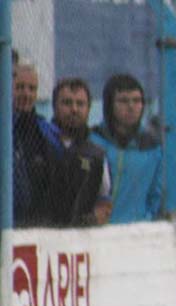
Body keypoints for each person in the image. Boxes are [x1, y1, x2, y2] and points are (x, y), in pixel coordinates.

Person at [92, 73, 164, 224]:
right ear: (109, 104)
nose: (131, 107)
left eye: (137, 101)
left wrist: (147, 220)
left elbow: (156, 194)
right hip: (98, 231)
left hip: (138, 231)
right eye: (123, 101)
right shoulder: (93, 141)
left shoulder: (152, 147)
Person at [49, 77, 112, 226]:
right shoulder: (40, 142)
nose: (74, 109)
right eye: (67, 103)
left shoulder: (97, 155)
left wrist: (93, 219)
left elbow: (105, 202)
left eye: (80, 104)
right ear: (54, 106)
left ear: (89, 108)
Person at [12, 63, 62, 227]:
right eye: (20, 87)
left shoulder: (47, 131)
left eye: (32, 88)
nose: (26, 94)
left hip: (39, 222)